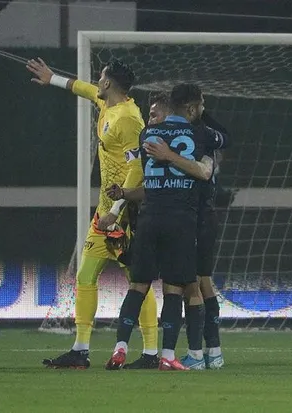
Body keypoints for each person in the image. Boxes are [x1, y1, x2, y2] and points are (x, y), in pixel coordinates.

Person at [26, 57, 159, 369]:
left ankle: (151, 353)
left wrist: (116, 210)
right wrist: (52, 78)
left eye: (100, 77)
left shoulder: (129, 119)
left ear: (108, 82)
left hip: (124, 216)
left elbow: (137, 169)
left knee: (138, 282)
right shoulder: (108, 105)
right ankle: (80, 350)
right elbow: (85, 89)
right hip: (104, 214)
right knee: (85, 276)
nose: (97, 81)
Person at [104, 83, 225, 371]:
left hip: (149, 217)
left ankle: (120, 347)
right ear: (191, 108)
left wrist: (124, 195)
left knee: (137, 285)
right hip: (182, 219)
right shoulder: (199, 135)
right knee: (178, 287)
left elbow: (151, 183)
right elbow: (208, 166)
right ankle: (172, 354)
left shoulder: (147, 134)